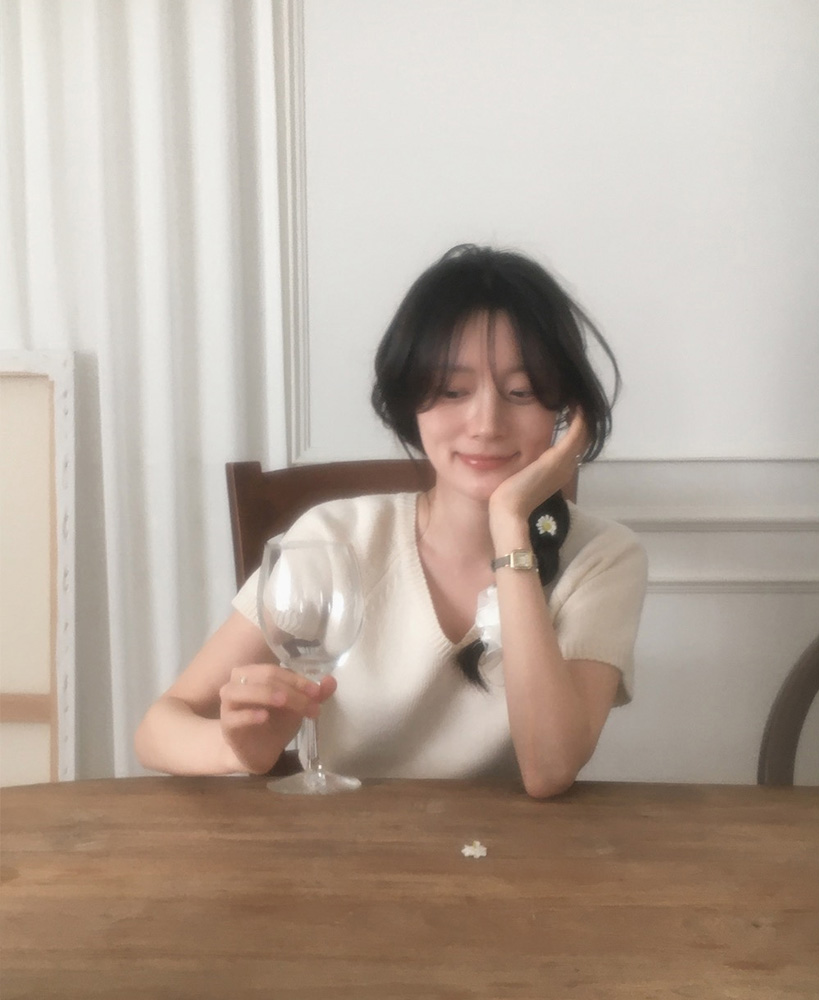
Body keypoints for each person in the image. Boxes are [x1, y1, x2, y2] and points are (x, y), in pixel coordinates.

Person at [135, 244, 647, 798]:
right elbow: (159, 728)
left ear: (566, 411)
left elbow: (550, 770)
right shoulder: (333, 541)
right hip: (344, 842)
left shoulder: (603, 557)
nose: (486, 423)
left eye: (521, 392)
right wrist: (238, 750)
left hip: (512, 850)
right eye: (452, 391)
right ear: (411, 399)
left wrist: (509, 525)